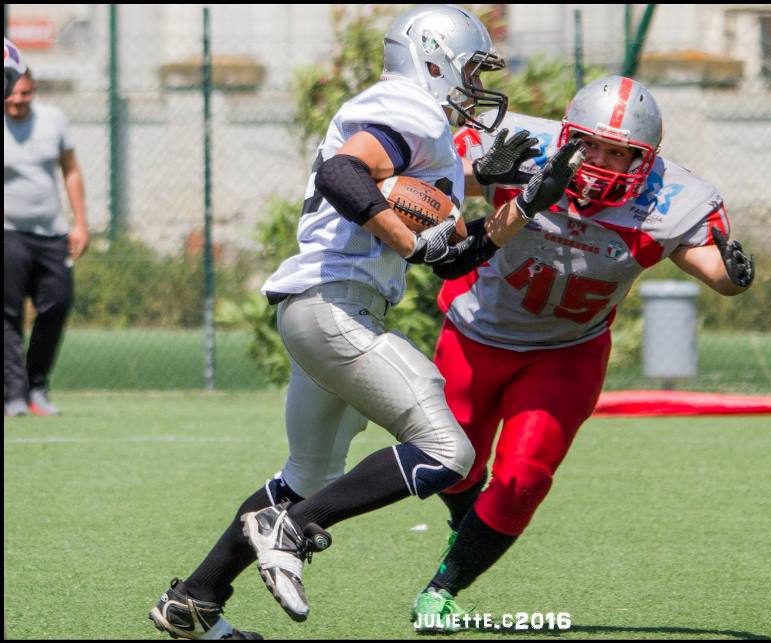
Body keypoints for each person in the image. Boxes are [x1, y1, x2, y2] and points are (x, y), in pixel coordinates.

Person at [148, 5, 582, 639]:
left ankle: (195, 600)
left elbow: (454, 256)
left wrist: (525, 201)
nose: (475, 87)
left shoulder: (424, 134)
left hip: (323, 309)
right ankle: (287, 532)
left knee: (304, 478)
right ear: (433, 61)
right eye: (468, 70)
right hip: (333, 305)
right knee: (447, 451)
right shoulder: (410, 106)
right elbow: (341, 173)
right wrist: (409, 242)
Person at [407, 75, 756, 632]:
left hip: (565, 352)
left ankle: (444, 586)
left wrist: (733, 277)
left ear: (646, 160)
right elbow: (426, 179)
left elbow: (712, 268)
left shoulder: (670, 199)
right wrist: (480, 173)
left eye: (619, 153)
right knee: (450, 464)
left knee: (523, 479)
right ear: (568, 133)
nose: (600, 162)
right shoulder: (521, 144)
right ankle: (467, 525)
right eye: (590, 144)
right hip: (475, 330)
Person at [4, 67, 90, 417]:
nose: (17, 101)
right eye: (11, 94)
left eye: (25, 93)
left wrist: (80, 223)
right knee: (7, 314)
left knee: (56, 305)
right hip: (8, 232)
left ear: (34, 90)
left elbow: (70, 170)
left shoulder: (53, 120)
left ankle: (36, 387)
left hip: (52, 234)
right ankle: (13, 394)